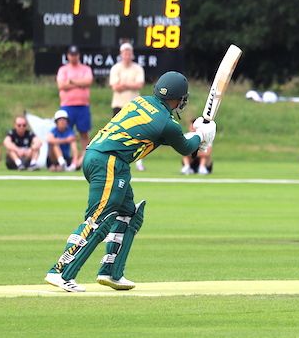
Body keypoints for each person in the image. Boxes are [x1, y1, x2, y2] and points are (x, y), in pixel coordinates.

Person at [44, 71, 216, 292]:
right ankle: (60, 271)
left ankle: (111, 272)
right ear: (178, 98)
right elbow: (183, 145)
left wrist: (197, 136)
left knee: (129, 214)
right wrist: (201, 136)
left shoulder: (140, 102)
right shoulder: (166, 123)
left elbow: (163, 136)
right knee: (100, 218)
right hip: (109, 162)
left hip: (99, 157)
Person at [109, 42, 146, 171]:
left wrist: (124, 84)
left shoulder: (137, 68)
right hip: (119, 105)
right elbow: (116, 87)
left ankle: (139, 161)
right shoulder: (116, 68)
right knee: (118, 134)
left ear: (132, 54)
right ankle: (117, 159)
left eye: (129, 52)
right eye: (124, 53)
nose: (127, 55)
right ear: (121, 54)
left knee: (138, 134)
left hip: (134, 105)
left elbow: (139, 85)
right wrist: (130, 84)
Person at [56, 45, 93, 162]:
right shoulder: (63, 69)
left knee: (84, 132)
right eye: (71, 55)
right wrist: (79, 84)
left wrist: (71, 81)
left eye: (75, 55)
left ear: (79, 55)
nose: (73, 57)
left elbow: (88, 82)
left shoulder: (85, 69)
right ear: (68, 56)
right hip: (67, 105)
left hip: (82, 105)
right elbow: (61, 86)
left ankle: (85, 158)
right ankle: (67, 157)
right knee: (65, 131)